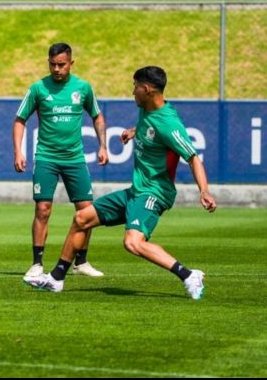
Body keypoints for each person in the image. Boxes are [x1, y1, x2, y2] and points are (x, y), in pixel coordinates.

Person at [24, 66, 217, 299]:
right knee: (81, 218)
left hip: (154, 193)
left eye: (135, 87)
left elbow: (192, 157)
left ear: (146, 89)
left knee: (133, 242)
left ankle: (188, 275)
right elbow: (151, 127)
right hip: (137, 191)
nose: (132, 91)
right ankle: (56, 278)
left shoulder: (169, 123)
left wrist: (204, 191)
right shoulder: (149, 109)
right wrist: (135, 131)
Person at [14, 42, 109, 281]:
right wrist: (18, 151)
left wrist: (103, 146)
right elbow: (19, 119)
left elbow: (97, 116)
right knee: (43, 209)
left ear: (71, 63)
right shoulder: (38, 88)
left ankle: (81, 262)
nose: (56, 69)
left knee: (86, 211)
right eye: (52, 64)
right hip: (46, 157)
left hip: (75, 159)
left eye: (61, 65)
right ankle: (37, 263)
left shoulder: (83, 88)